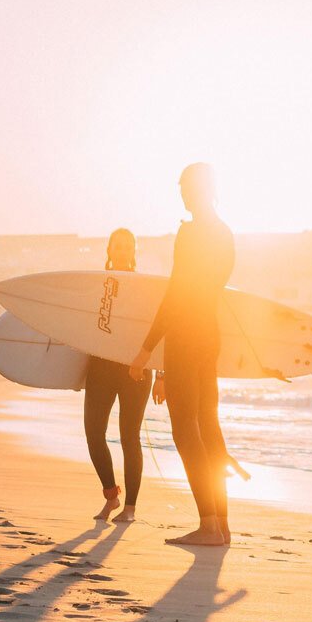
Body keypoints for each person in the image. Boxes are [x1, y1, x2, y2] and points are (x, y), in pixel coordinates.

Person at [128, 165, 235, 547]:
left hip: (187, 337)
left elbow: (176, 294)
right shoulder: (225, 234)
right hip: (210, 334)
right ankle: (221, 524)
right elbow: (211, 289)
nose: (183, 196)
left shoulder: (190, 234)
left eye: (186, 189)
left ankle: (208, 525)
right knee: (208, 425)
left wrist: (145, 351)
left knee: (185, 429)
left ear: (199, 190)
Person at [84, 229, 151, 524]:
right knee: (93, 433)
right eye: (118, 246)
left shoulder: (145, 287)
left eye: (128, 246)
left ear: (134, 251)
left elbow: (157, 330)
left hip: (135, 368)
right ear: (109, 250)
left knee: (129, 437)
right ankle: (112, 496)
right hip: (100, 365)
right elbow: (82, 323)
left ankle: (130, 509)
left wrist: (161, 373)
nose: (123, 251)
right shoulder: (95, 284)